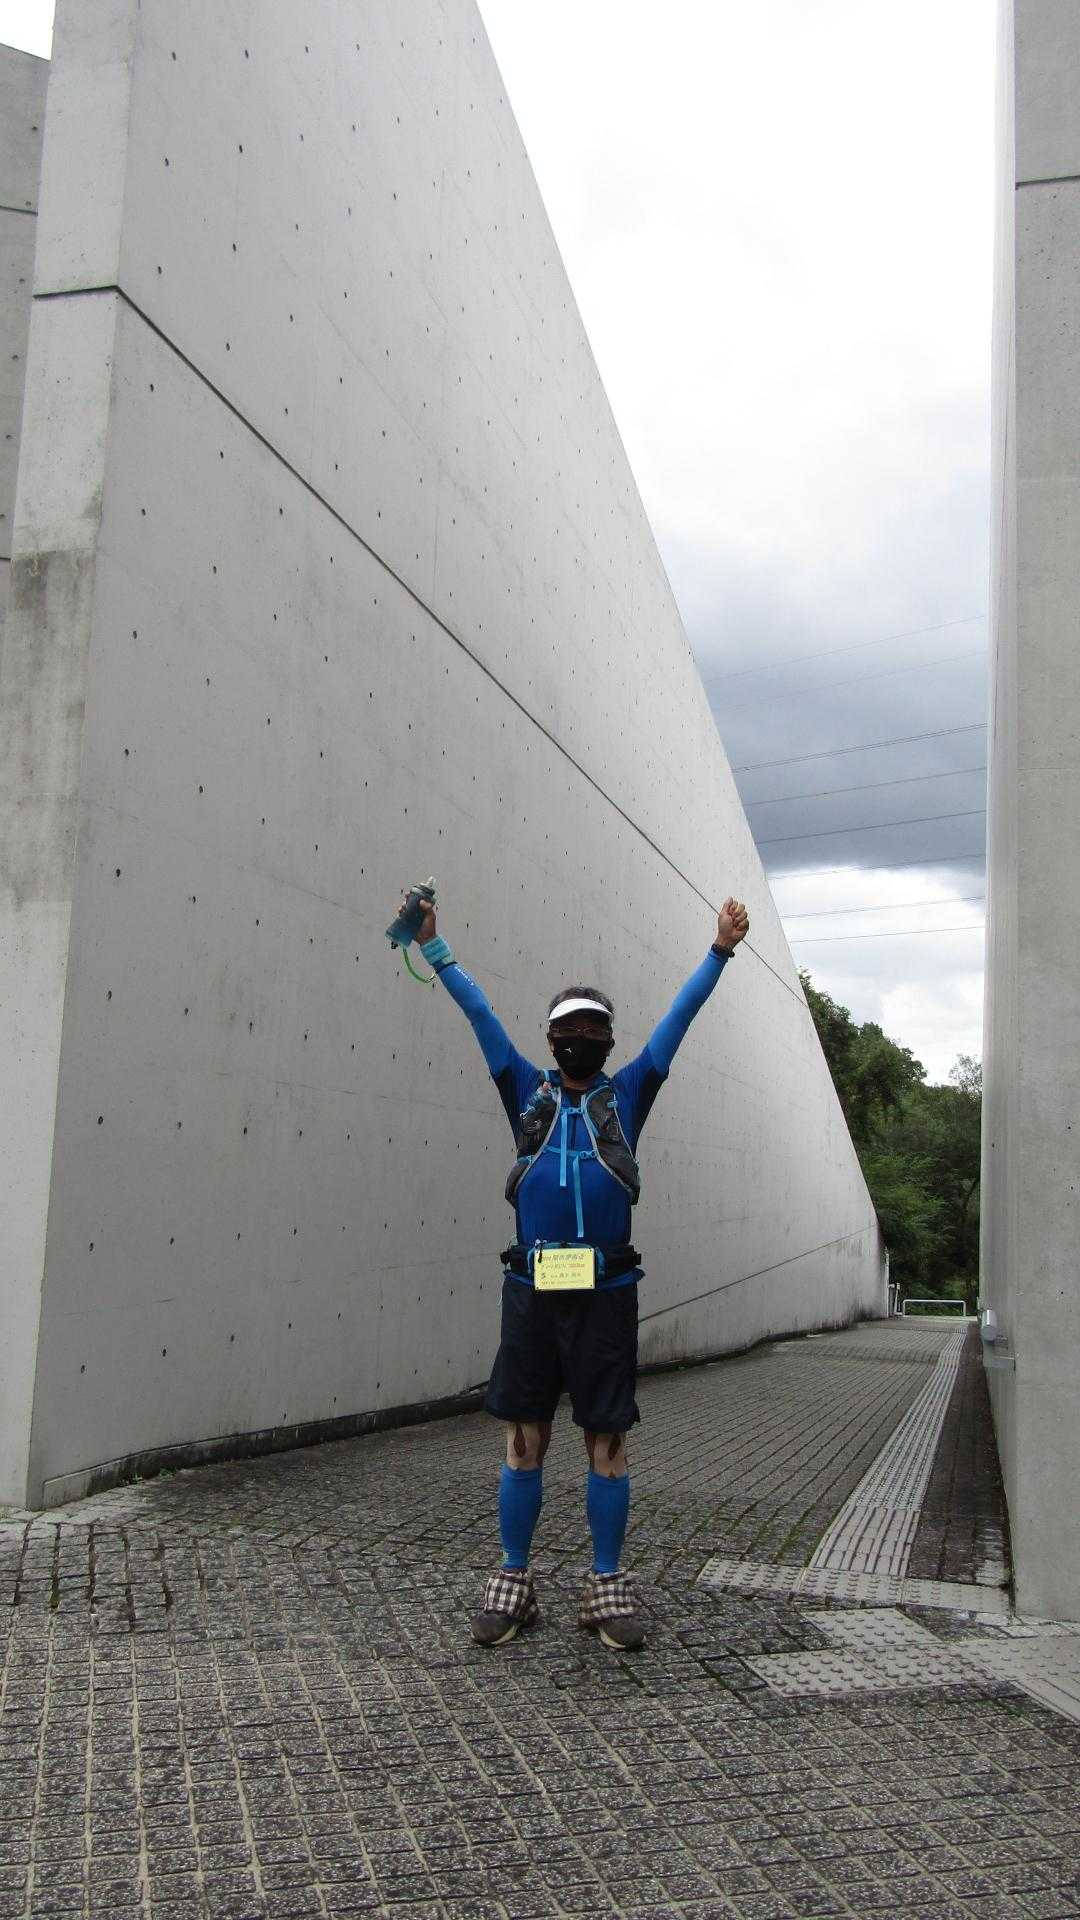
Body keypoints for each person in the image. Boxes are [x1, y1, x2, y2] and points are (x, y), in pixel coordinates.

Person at [407, 889, 750, 1650]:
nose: (581, 1040)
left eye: (594, 1030)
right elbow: (479, 1015)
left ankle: (605, 1581)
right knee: (523, 1436)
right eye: (569, 1030)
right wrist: (434, 945)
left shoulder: (626, 1094)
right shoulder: (524, 1092)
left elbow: (679, 1019)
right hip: (532, 1292)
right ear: (550, 1038)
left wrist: (719, 952)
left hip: (605, 1296)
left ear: (609, 1040)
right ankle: (513, 1576)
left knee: (607, 1439)